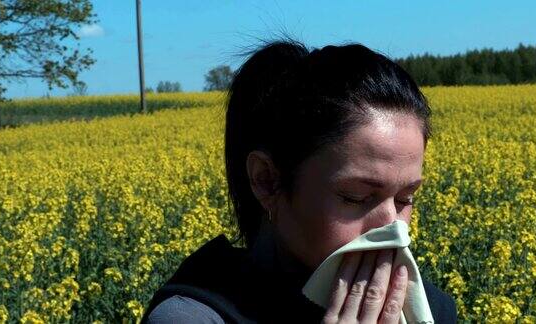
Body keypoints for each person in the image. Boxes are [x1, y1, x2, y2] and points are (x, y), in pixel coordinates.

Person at [142, 39, 457, 324]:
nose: (393, 229)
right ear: (266, 181)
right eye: (355, 198)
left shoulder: (425, 310)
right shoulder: (192, 316)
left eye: (405, 200)